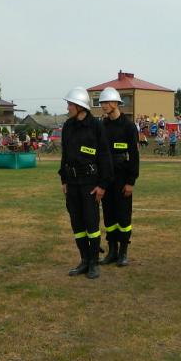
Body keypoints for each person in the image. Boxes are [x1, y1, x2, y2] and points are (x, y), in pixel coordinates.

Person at [59, 87, 113, 279]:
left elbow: (105, 157)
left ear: (80, 106)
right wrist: (63, 179)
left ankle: (94, 263)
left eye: (70, 104)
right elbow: (65, 154)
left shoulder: (96, 126)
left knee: (91, 223)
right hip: (72, 183)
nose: (68, 107)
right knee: (77, 224)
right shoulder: (68, 126)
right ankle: (84, 260)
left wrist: (103, 185)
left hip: (90, 183)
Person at [97, 87, 139, 267]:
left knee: (123, 217)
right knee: (109, 216)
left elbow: (134, 156)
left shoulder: (128, 127)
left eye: (106, 102)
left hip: (122, 178)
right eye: (101, 103)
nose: (103, 106)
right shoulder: (102, 126)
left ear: (115, 103)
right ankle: (112, 251)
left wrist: (131, 181)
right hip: (106, 178)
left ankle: (123, 252)